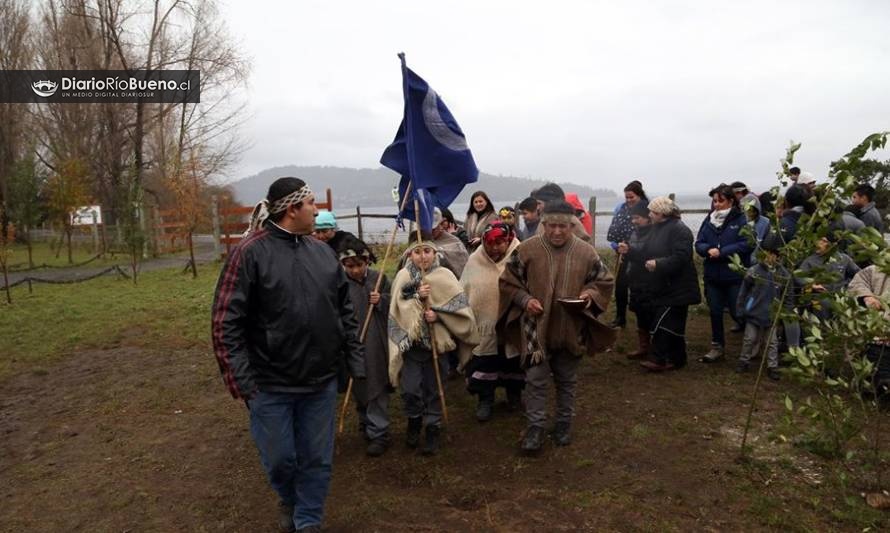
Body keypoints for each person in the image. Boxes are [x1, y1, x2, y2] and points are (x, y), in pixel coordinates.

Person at [211, 177, 364, 533]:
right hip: (269, 384)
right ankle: (289, 497)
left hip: (320, 381)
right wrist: (242, 380)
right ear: (292, 209)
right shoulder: (249, 253)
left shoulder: (323, 253)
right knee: (281, 460)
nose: (317, 209)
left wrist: (353, 359)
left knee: (317, 459)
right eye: (311, 202)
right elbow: (225, 322)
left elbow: (345, 311)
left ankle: (308, 520)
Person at [498, 200, 615, 454]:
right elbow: (508, 282)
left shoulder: (586, 252)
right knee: (536, 380)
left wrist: (588, 295)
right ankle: (535, 427)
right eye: (552, 226)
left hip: (571, 325)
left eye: (563, 226)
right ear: (544, 223)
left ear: (572, 225)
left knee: (567, 379)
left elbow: (604, 281)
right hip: (534, 327)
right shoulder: (527, 250)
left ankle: (563, 423)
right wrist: (525, 300)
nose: (557, 231)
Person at [388, 237, 477, 456]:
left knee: (434, 387)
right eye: (417, 252)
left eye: (427, 251)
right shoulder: (403, 276)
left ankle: (432, 426)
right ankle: (414, 419)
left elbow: (459, 307)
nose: (423, 256)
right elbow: (398, 304)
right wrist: (418, 297)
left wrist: (437, 315)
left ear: (435, 253)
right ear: (410, 255)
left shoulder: (444, 276)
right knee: (410, 389)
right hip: (412, 347)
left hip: (437, 346)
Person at [459, 222, 523, 421]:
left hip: (512, 324)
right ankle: (485, 399)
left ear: (508, 240)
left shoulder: (520, 258)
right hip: (484, 326)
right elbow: (465, 290)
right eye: (489, 243)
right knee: (485, 363)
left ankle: (514, 396)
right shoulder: (474, 261)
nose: (494, 247)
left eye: (499, 242)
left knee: (513, 362)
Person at [629, 197, 701, 371]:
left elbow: (681, 258)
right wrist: (630, 252)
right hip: (664, 286)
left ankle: (658, 359)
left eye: (652, 212)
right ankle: (677, 359)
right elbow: (647, 252)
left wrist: (659, 264)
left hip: (678, 287)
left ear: (662, 213)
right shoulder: (657, 228)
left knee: (662, 323)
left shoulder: (680, 230)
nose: (649, 215)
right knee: (672, 326)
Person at [336, 235, 392, 457]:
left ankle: (380, 432)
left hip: (375, 342)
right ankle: (366, 421)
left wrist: (382, 301)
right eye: (350, 266)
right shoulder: (338, 285)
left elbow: (395, 307)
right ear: (343, 265)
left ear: (367, 262)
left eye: (359, 265)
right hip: (351, 343)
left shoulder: (379, 279)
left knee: (376, 383)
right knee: (358, 382)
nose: (356, 271)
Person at [695, 184, 753, 363]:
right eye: (714, 201)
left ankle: (752, 343)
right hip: (713, 275)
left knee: (738, 311)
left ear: (731, 201)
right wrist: (708, 250)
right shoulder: (709, 220)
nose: (717, 205)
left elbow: (747, 243)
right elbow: (699, 243)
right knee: (715, 311)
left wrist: (723, 251)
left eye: (721, 201)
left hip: (733, 275)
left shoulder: (740, 219)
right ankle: (717, 346)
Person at [735, 233, 791, 380]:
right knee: (749, 339)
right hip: (753, 313)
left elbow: (788, 295)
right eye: (765, 253)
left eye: (771, 254)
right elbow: (743, 291)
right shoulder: (754, 271)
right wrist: (741, 309)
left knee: (772, 342)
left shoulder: (784, 274)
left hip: (772, 315)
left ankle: (772, 366)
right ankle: (744, 361)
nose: (767, 257)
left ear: (778, 256)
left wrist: (785, 312)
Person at [607, 180, 649, 328]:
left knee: (639, 287)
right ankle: (620, 317)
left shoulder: (647, 209)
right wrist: (615, 246)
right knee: (620, 286)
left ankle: (644, 322)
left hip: (642, 253)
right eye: (627, 197)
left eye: (632, 197)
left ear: (639, 195)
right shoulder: (621, 209)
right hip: (623, 253)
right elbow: (613, 231)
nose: (629, 200)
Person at [617, 202, 655, 360]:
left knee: (650, 313)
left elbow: (649, 255)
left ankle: (655, 348)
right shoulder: (634, 233)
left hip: (649, 279)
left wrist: (630, 251)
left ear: (648, 218)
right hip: (634, 278)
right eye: (633, 218)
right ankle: (643, 347)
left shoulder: (655, 234)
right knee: (639, 312)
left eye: (637, 218)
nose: (634, 221)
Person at [798, 232, 860, 321]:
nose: (819, 243)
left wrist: (848, 285)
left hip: (840, 296)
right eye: (819, 240)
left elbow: (859, 274)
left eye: (824, 241)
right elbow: (798, 276)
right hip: (819, 297)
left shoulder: (843, 258)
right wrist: (811, 285)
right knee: (823, 304)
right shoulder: (810, 260)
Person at [429, 208, 470, 277]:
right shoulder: (424, 238)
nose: (431, 231)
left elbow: (462, 252)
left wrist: (454, 234)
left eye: (443, 222)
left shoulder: (458, 235)